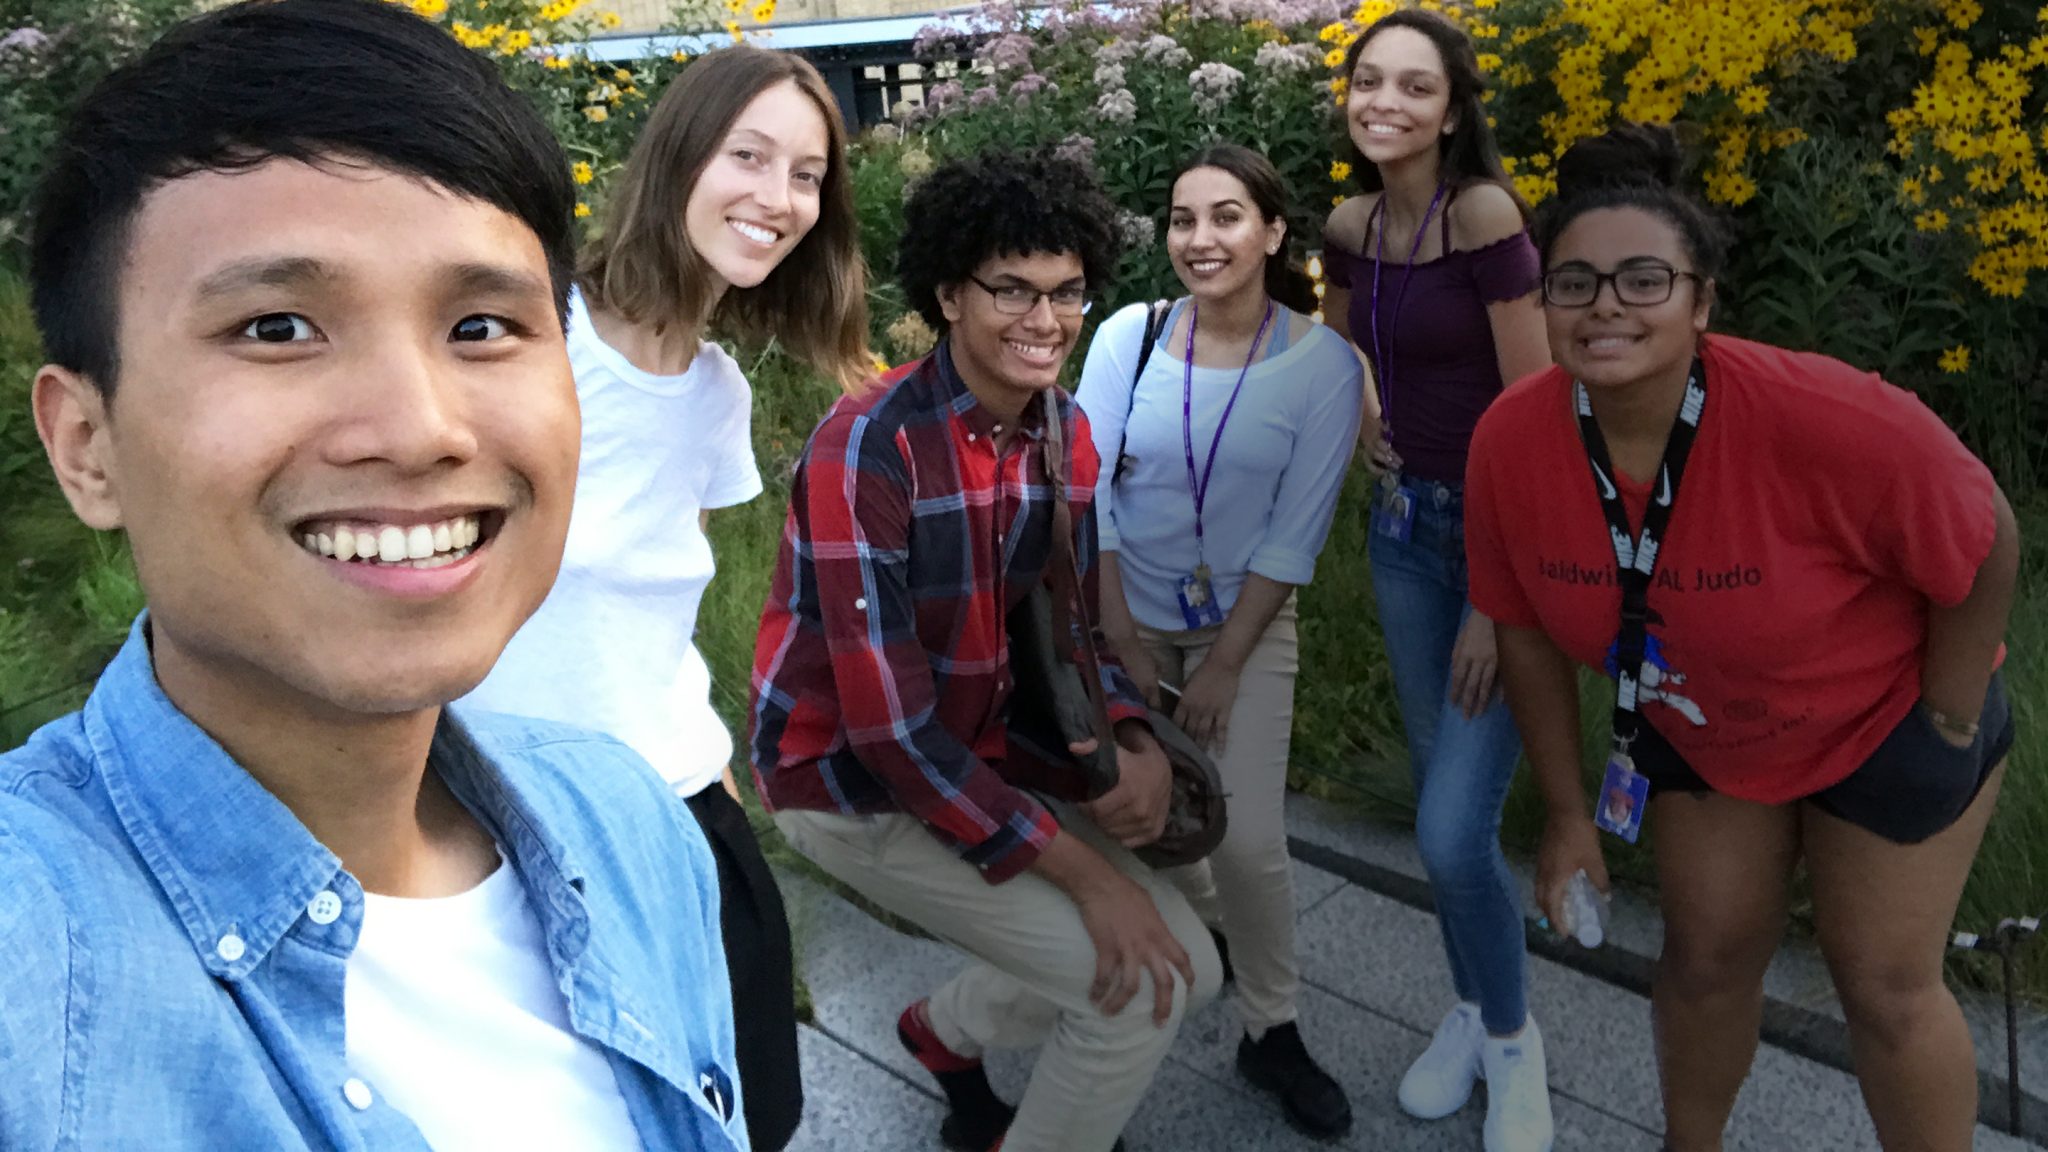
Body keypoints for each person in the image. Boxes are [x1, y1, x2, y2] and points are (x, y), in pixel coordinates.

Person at [3, 1, 747, 1149]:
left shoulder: (628, 823)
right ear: (86, 445)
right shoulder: (33, 960)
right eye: (278, 327)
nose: (419, 428)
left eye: (482, 327)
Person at [1466, 122, 2020, 1152]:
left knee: (1882, 985)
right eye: (1574, 283)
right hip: (1702, 722)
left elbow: (1986, 535)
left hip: (1881, 717)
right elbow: (1523, 633)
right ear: (1543, 303)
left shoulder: (1817, 414)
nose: (1605, 306)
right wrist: (1567, 814)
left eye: (1644, 280)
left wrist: (1946, 721)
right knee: (1705, 958)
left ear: (1701, 302)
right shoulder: (1510, 441)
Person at [750, 149, 1223, 1152]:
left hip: (974, 748)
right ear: (949, 294)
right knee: (1140, 996)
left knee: (1196, 965)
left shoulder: (1064, 431)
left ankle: (942, 1031)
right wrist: (1088, 879)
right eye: (1012, 289)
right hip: (848, 781)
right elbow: (890, 736)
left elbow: (1072, 632)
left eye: (1066, 292)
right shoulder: (867, 447)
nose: (1044, 320)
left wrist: (1134, 738)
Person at [464, 45, 869, 1151]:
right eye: (749, 156)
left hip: (676, 793)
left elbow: (655, 599)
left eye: (806, 175)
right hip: (510, 807)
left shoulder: (713, 390)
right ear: (682, 155)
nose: (778, 197)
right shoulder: (538, 338)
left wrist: (706, 758)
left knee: (754, 1102)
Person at [1076, 143, 1362, 1139]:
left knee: (1245, 837)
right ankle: (1204, 926)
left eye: (1226, 216)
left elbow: (1296, 532)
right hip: (1123, 614)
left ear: (1273, 232)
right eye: (1182, 218)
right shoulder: (1132, 336)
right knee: (1140, 817)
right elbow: (1085, 487)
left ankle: (1270, 1026)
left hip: (1246, 624)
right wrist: (1120, 633)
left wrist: (1226, 665)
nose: (1200, 239)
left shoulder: (1323, 364)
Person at [1318, 10, 1556, 1150]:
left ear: (1453, 111)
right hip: (1404, 530)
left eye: (1416, 87)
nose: (1386, 103)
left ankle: (1511, 1043)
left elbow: (1537, 418)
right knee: (1435, 805)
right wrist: (1369, 415)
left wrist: (1495, 604)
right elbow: (1338, 351)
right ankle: (1471, 1005)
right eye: (1370, 81)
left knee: (1455, 832)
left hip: (1494, 545)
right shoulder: (1350, 225)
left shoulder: (1484, 216)